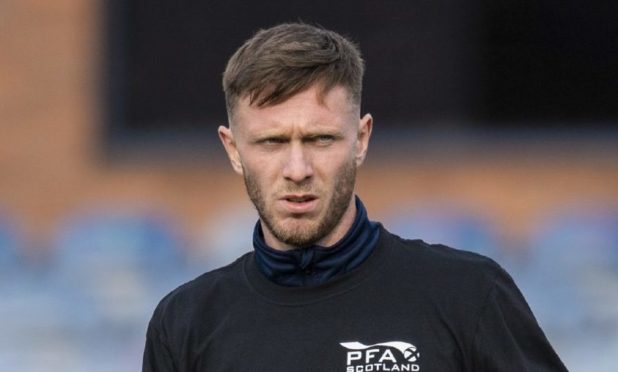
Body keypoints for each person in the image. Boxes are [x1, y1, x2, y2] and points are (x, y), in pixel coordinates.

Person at [143, 23, 567, 371]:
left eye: (321, 139)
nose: (297, 169)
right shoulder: (185, 324)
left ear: (361, 139)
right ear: (233, 150)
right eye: (271, 142)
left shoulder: (469, 295)